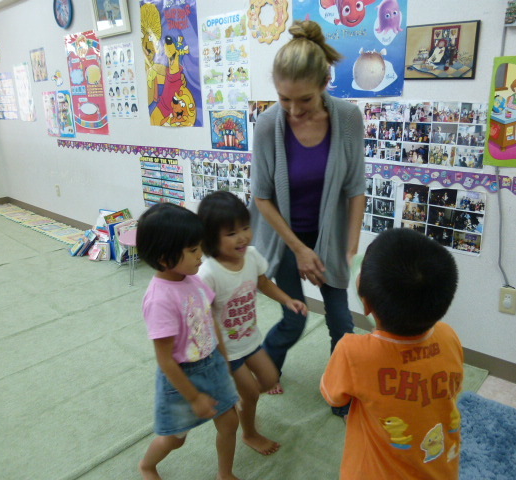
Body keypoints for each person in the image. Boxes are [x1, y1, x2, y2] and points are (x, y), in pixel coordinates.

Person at [249, 20, 365, 416]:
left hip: (329, 236)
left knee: (341, 322)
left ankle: (340, 394)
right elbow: (262, 196)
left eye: (305, 100)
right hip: (283, 238)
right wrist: (299, 249)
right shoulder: (268, 124)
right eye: (284, 99)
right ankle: (266, 372)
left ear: (325, 84)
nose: (295, 110)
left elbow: (356, 187)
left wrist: (350, 247)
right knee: (294, 317)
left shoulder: (348, 118)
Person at [320, 228, 463, 479]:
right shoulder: (449, 336)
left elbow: (334, 397)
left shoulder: (352, 353)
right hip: (441, 470)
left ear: (366, 304)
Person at [198, 191, 307, 456]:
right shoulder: (208, 273)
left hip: (250, 339)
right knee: (252, 394)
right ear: (211, 237)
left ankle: (241, 401)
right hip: (227, 351)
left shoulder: (252, 256)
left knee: (270, 379)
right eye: (231, 233)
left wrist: (288, 300)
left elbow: (264, 283)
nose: (243, 237)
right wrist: (216, 358)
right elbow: (202, 320)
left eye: (246, 228)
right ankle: (249, 433)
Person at [136, 203, 241, 480]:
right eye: (193, 250)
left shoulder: (192, 279)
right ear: (164, 258)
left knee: (230, 422)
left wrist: (224, 359)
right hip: (182, 376)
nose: (200, 255)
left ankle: (225, 473)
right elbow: (165, 360)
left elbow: (209, 318)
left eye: (200, 247)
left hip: (212, 363)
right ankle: (147, 465)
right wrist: (194, 397)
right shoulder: (159, 299)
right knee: (175, 439)